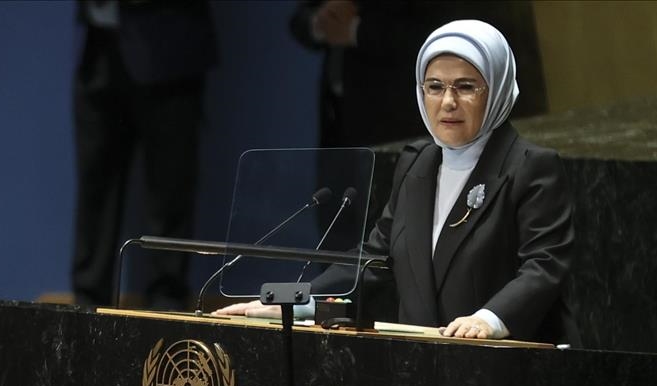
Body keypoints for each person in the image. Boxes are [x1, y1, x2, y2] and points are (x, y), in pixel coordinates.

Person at [215, 20, 577, 345]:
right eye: (434, 87)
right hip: (420, 366)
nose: (448, 102)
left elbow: (544, 266)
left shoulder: (530, 167)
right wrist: (292, 301)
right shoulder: (417, 164)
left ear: (497, 89)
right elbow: (375, 258)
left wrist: (489, 319)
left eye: (466, 87)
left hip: (505, 366)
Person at [71, 0, 217, 309]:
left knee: (170, 189)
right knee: (95, 188)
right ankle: (85, 309)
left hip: (169, 49)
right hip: (99, 48)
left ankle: (166, 308)